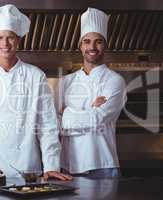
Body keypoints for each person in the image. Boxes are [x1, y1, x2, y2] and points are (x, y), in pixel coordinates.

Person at [0, 4, 72, 181]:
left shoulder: (35, 76)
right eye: (0, 37)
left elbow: (47, 125)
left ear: (19, 40)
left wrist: (51, 165)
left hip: (26, 169)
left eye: (10, 38)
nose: (5, 44)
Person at [58, 8, 126, 178]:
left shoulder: (114, 80)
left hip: (102, 165)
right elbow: (55, 124)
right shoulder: (66, 82)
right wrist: (91, 109)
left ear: (105, 45)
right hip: (67, 166)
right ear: (80, 46)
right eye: (87, 41)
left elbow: (98, 119)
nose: (92, 47)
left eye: (98, 41)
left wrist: (66, 113)